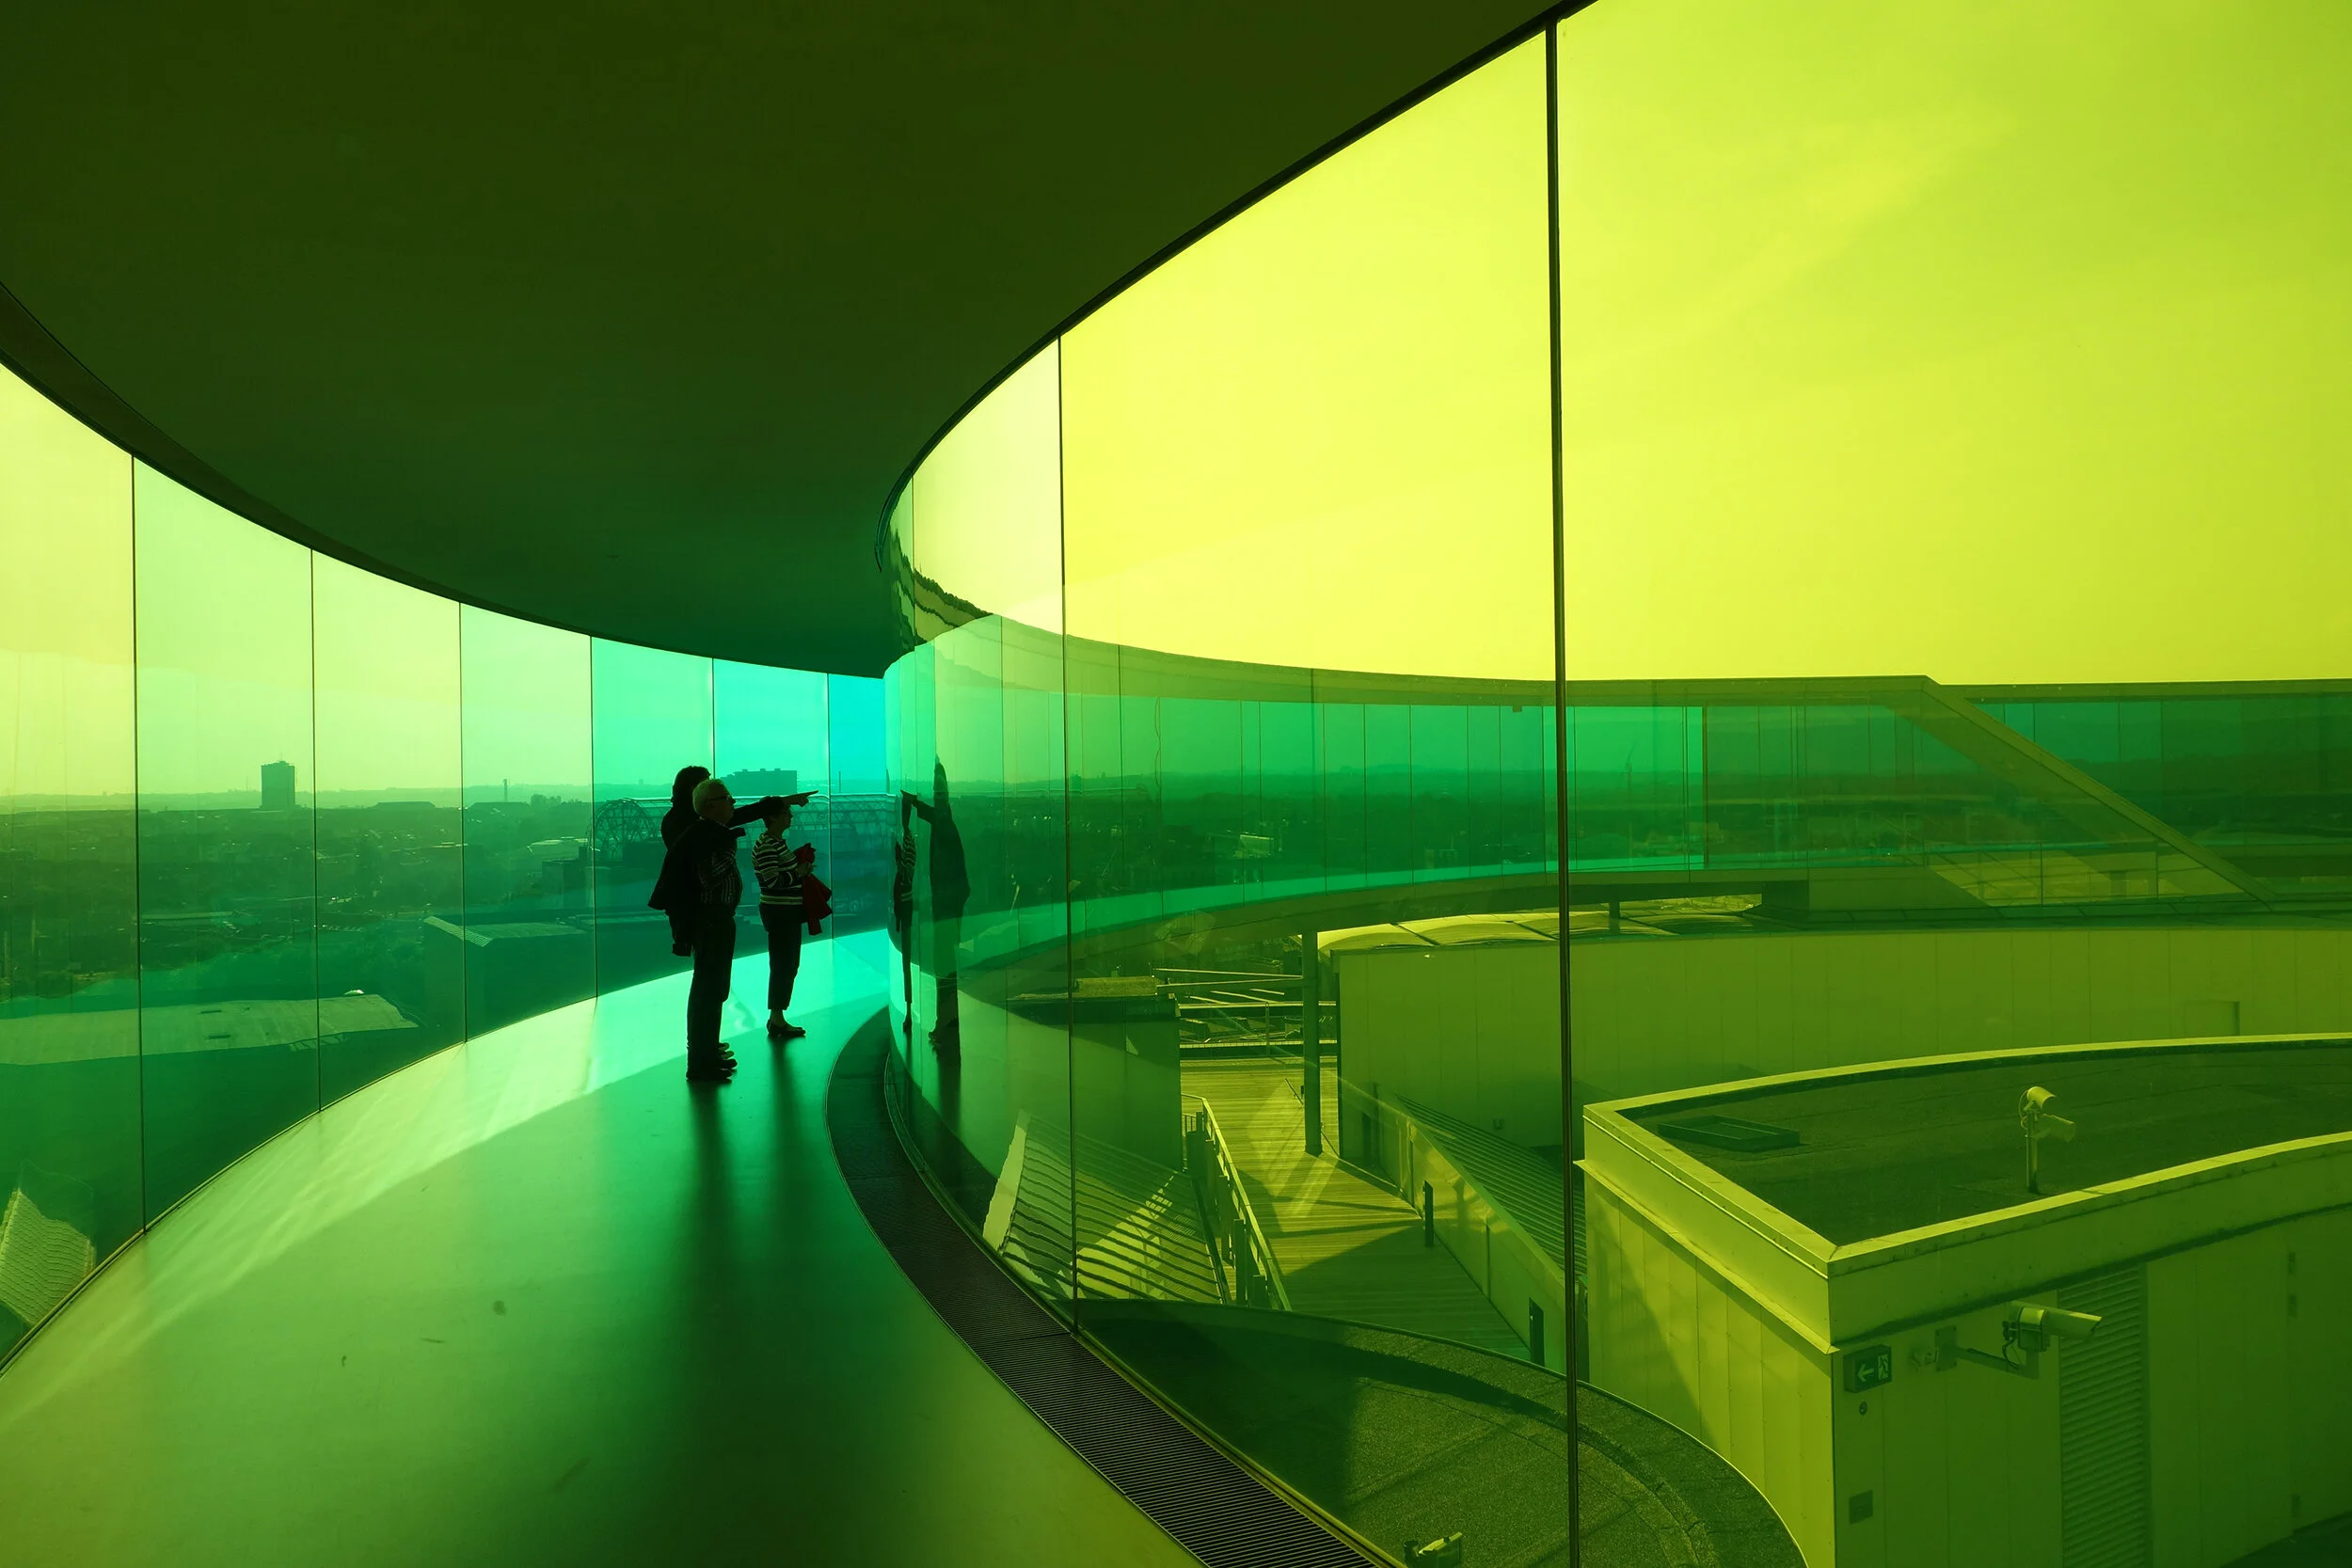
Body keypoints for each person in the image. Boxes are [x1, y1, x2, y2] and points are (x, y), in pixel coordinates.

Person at [650, 776, 759, 1083]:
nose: (732, 802)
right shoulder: (708, 837)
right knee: (709, 990)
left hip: (714, 920)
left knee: (712, 989)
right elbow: (708, 877)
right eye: (726, 798)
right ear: (710, 806)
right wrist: (730, 849)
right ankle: (701, 1061)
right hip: (712, 921)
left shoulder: (706, 834)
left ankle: (707, 1053)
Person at [750, 795, 818, 1041]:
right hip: (780, 912)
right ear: (773, 817)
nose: (791, 816)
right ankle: (777, 1018)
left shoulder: (774, 842)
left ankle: (777, 1016)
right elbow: (772, 881)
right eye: (786, 812)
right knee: (784, 964)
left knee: (786, 963)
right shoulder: (768, 845)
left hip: (784, 911)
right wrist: (799, 872)